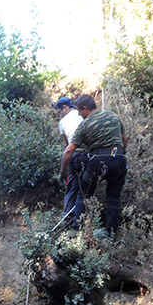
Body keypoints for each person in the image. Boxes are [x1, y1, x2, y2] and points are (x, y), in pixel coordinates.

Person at [60, 95, 128, 237]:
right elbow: (125, 139)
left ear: (85, 109)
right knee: (113, 198)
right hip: (119, 160)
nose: (79, 115)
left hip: (98, 162)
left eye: (80, 111)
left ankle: (77, 231)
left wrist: (63, 172)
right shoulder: (113, 115)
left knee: (84, 194)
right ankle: (111, 235)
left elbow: (69, 151)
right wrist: (120, 154)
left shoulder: (84, 125)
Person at [53, 96, 84, 221]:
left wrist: (63, 172)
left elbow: (68, 145)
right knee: (87, 187)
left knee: (72, 185)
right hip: (91, 154)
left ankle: (68, 217)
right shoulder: (83, 114)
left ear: (65, 108)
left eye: (59, 111)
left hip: (76, 155)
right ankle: (85, 219)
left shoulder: (63, 122)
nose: (59, 115)